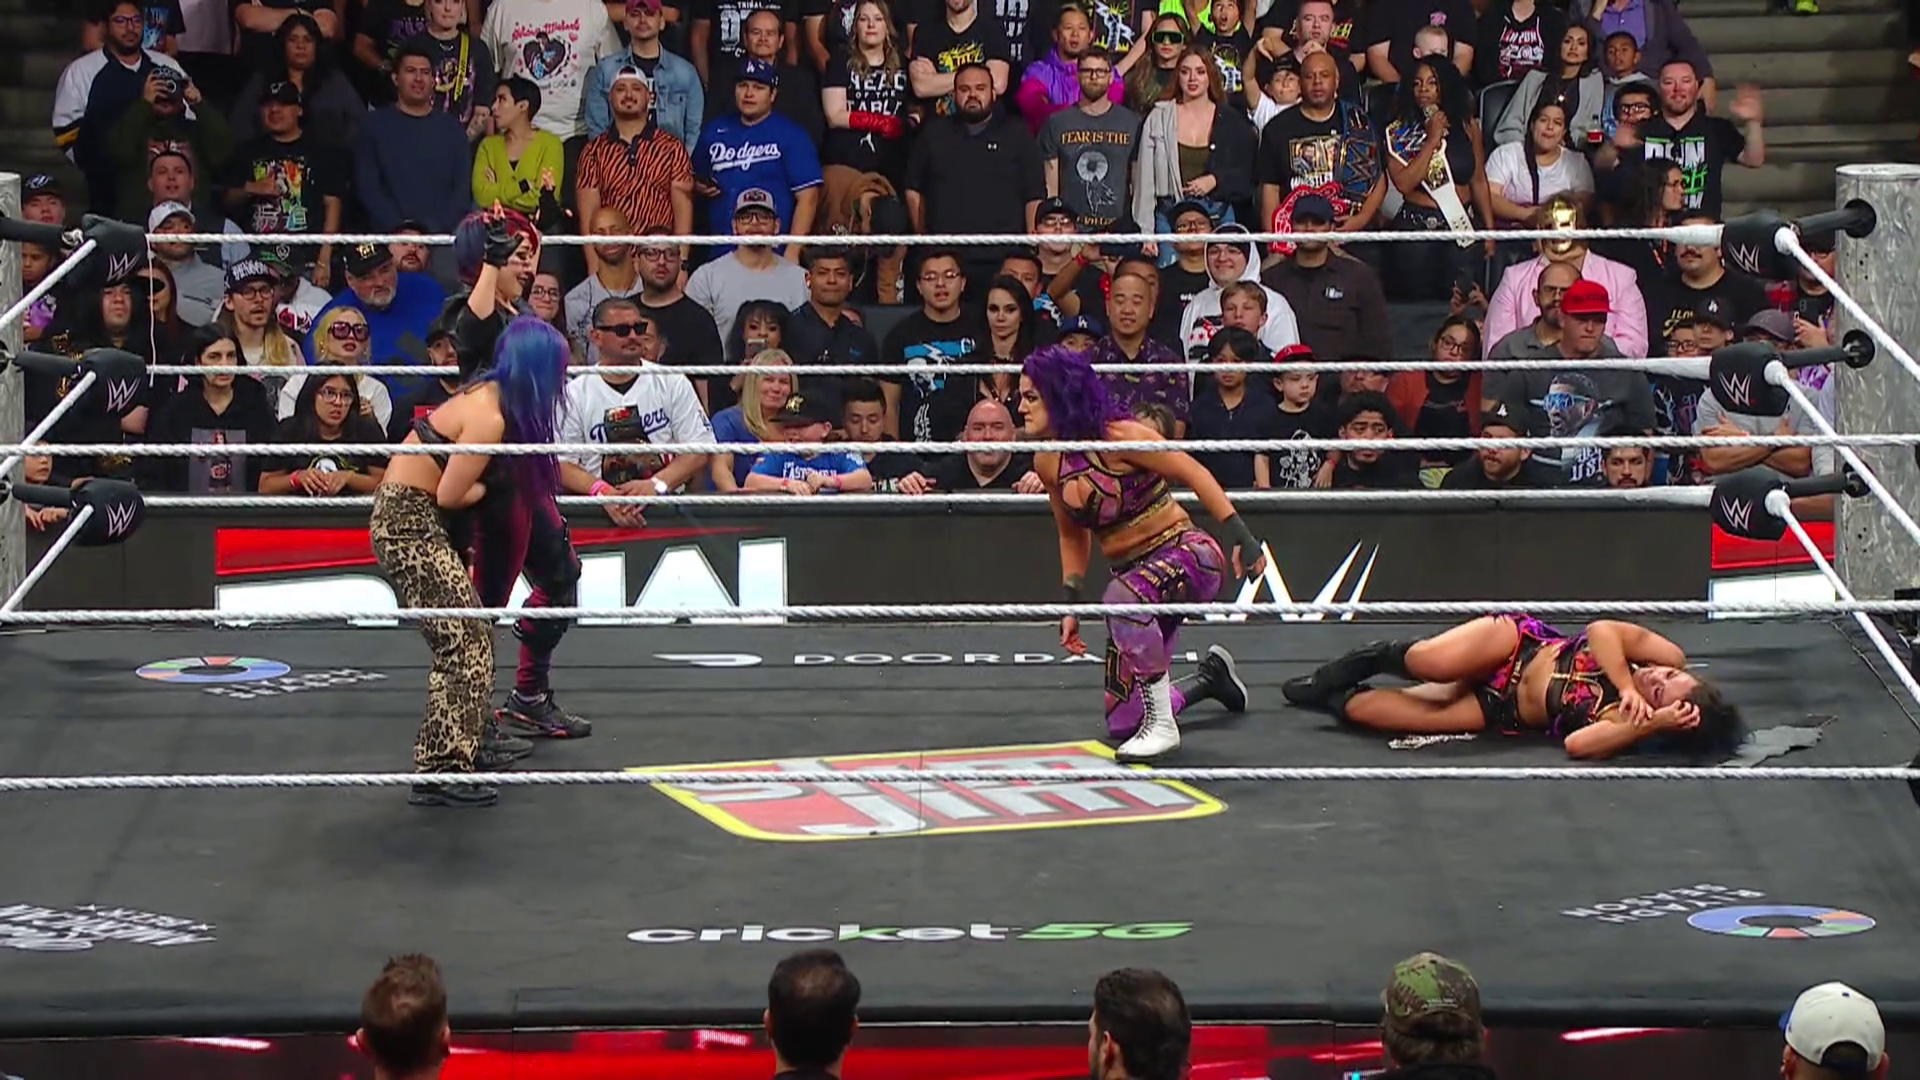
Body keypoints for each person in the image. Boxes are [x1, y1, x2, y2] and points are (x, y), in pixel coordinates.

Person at [1020, 343, 1259, 761]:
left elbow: (1193, 471)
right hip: (1134, 582)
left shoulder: (1120, 436)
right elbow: (1071, 535)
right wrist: (1070, 601)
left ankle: (1163, 726)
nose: (1020, 407)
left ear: (1058, 395)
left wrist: (1241, 535)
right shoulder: (1048, 462)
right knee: (1124, 720)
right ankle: (1210, 680)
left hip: (1190, 557)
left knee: (1121, 601)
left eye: (1030, 397)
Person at [370, 314, 569, 809]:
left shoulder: (487, 397)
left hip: (421, 518)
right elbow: (452, 493)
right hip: (408, 522)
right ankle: (440, 768)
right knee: (464, 639)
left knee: (472, 631)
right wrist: (492, 485)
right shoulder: (489, 415)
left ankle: (469, 741)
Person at [443, 210, 597, 743]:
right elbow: (474, 325)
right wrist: (493, 257)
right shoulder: (473, 314)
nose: (529, 265)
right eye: (518, 256)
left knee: (562, 576)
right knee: (482, 606)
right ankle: (469, 718)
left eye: (531, 254)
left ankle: (529, 696)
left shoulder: (520, 312)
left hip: (527, 470)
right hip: (494, 479)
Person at [1280, 616, 1745, 759]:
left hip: (1498, 705)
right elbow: (1603, 629)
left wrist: (1648, 724)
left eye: (1659, 691)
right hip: (1518, 646)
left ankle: (1331, 695)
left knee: (1369, 714)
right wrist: (1626, 683)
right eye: (1669, 676)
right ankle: (1337, 671)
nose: (1657, 677)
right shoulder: (1666, 657)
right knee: (1432, 663)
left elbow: (1578, 746)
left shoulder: (1626, 721)